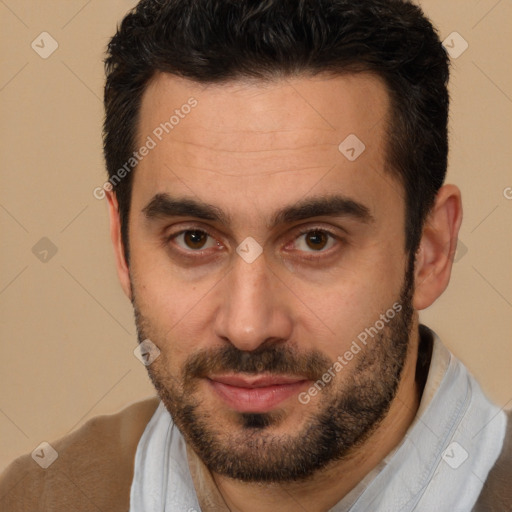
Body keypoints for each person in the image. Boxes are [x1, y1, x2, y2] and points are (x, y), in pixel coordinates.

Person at [1, 0, 510, 510]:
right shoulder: (37, 498)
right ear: (123, 246)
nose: (248, 327)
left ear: (430, 251)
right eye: (194, 239)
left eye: (316, 240)